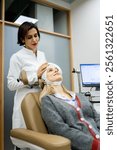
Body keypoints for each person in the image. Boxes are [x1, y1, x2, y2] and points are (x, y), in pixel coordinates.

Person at [38, 63, 100, 150]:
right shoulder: (48, 100)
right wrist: (96, 145)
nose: (56, 70)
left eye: (56, 69)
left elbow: (97, 118)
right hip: (86, 145)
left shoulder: (79, 96)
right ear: (44, 79)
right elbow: (60, 130)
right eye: (50, 70)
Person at [7, 21, 48, 129]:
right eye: (29, 37)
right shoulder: (17, 57)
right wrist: (34, 77)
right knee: (26, 138)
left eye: (36, 36)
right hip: (25, 101)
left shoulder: (42, 55)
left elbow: (43, 77)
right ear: (22, 39)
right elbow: (11, 85)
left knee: (41, 136)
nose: (34, 40)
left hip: (41, 99)